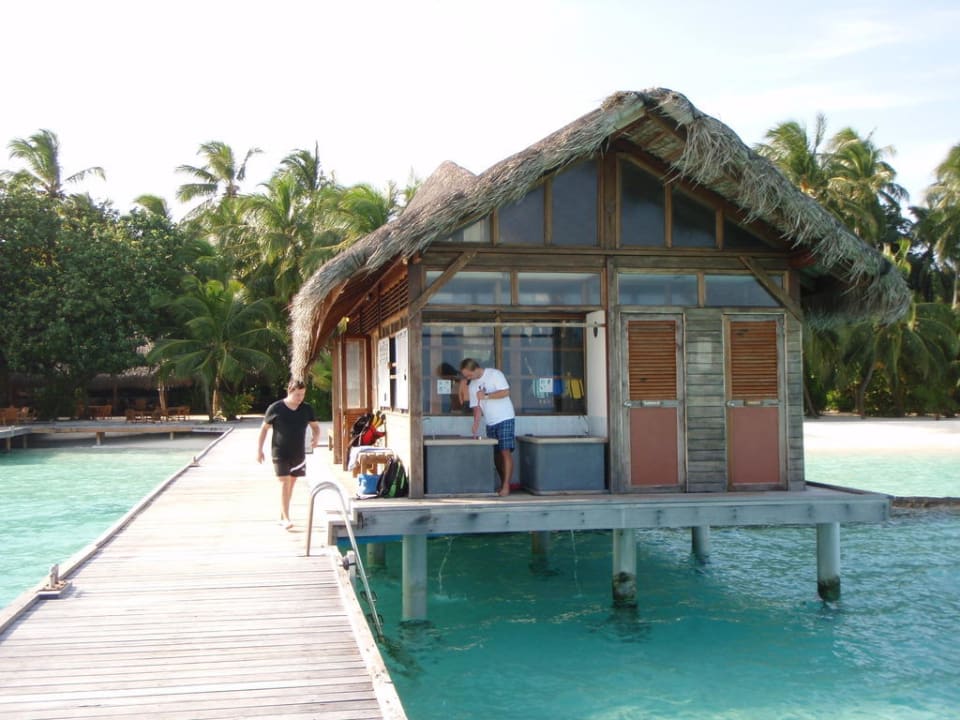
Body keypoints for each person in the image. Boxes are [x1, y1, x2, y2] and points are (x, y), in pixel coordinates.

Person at [256, 379, 321, 529]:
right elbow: (264, 429)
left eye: (303, 394)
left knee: (291, 485)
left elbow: (315, 427)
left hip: (298, 453)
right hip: (280, 451)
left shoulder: (307, 409)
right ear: (289, 392)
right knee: (284, 483)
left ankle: (282, 515)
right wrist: (259, 450)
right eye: (297, 394)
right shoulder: (276, 408)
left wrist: (316, 437)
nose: (300, 398)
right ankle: (286, 518)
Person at [460, 358, 516, 496]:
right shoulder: (472, 385)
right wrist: (476, 423)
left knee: (505, 451)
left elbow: (505, 392)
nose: (468, 378)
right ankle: (502, 483)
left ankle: (506, 486)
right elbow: (477, 407)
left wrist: (486, 395)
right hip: (490, 421)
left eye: (469, 375)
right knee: (495, 454)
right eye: (466, 376)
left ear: (475, 369)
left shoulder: (494, 374)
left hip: (505, 417)